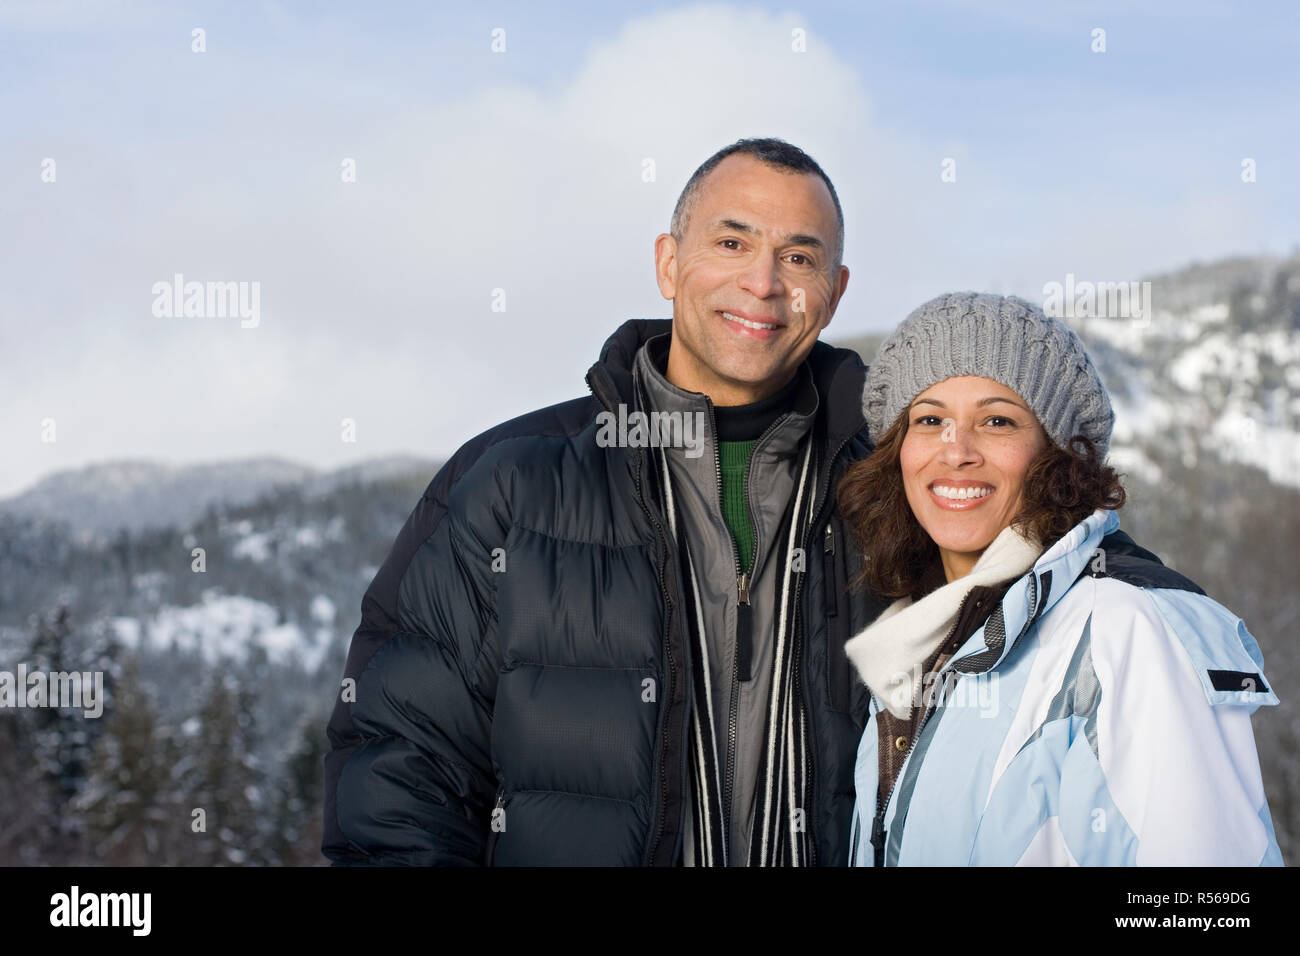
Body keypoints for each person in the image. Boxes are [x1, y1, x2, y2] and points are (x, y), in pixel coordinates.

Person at [322, 137, 880, 866]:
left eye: (799, 258)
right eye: (732, 241)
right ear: (669, 263)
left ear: (834, 294)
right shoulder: (512, 482)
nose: (763, 282)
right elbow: (398, 776)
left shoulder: (893, 494)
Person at [837, 291, 1283, 866]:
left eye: (997, 420)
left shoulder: (1125, 628)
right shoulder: (915, 639)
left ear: (1056, 455)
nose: (957, 451)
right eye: (930, 419)